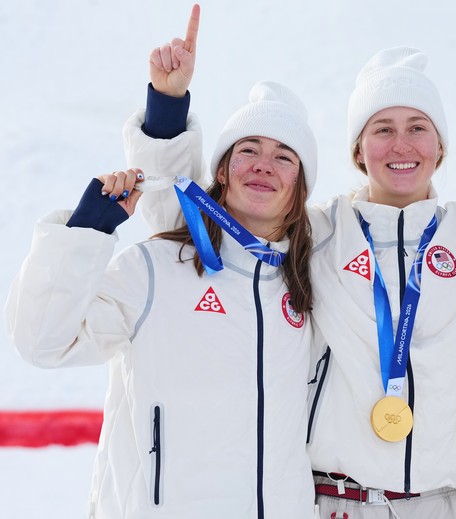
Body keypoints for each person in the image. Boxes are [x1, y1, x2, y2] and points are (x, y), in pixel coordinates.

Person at [123, 8, 456, 517]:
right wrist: (167, 107)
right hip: (337, 503)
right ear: (358, 150)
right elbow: (197, 223)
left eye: (417, 127)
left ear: (441, 147)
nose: (400, 145)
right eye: (382, 128)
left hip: (450, 504)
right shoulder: (314, 236)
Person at [4, 44, 321, 519]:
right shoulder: (156, 268)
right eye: (248, 150)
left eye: (284, 157)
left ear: (301, 186)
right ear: (221, 171)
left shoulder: (312, 283)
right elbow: (44, 342)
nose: (262, 165)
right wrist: (87, 232)